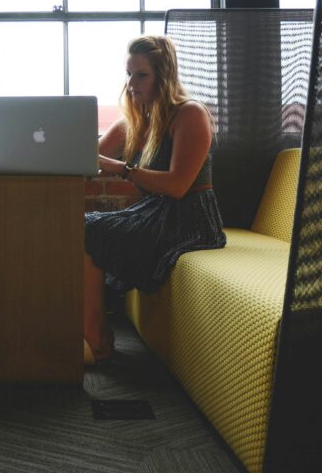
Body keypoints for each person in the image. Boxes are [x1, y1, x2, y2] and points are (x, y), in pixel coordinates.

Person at [84, 35, 226, 363]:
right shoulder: (134, 121)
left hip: (190, 218)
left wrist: (123, 169)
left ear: (163, 76)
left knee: (90, 231)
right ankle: (95, 332)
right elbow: (87, 161)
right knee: (83, 227)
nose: (131, 83)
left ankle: (96, 339)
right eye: (128, 74)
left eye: (141, 75)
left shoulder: (189, 114)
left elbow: (178, 186)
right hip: (154, 212)